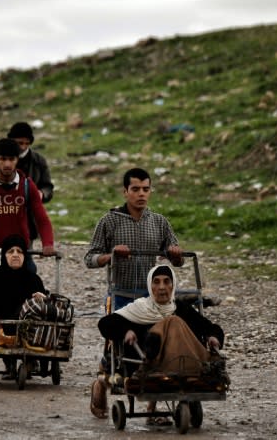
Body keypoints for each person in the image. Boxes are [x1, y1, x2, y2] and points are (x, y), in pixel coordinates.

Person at [91, 265, 225, 420]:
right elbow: (105, 323)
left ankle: (199, 364)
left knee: (175, 320)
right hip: (145, 363)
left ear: (173, 285)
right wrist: (126, 330)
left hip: (179, 363)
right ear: (150, 285)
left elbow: (210, 327)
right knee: (173, 321)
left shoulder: (181, 309)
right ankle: (101, 384)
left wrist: (213, 337)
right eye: (156, 282)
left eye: (167, 282)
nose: (162, 287)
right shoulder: (139, 308)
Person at [84, 167, 183, 311]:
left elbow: (179, 261)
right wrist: (112, 255)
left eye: (145, 189)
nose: (141, 194)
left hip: (151, 296)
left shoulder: (159, 222)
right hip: (119, 295)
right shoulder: (109, 220)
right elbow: (90, 259)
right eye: (135, 189)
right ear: (125, 192)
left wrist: (176, 254)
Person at [0, 138, 56, 272]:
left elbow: (42, 219)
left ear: (17, 160)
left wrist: (48, 243)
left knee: (31, 284)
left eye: (12, 159)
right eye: (3, 159)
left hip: (20, 252)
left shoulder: (27, 186)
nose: (7, 164)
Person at [0, 234, 48, 378]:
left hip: (26, 329)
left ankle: (30, 360)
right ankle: (10, 364)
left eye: (19, 251)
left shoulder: (33, 279)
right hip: (1, 327)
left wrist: (41, 299)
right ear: (4, 255)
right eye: (11, 252)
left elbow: (43, 306)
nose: (16, 255)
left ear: (24, 256)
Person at [0, 122, 54, 204]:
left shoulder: (38, 161)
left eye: (27, 143)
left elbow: (48, 187)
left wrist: (41, 193)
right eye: (19, 143)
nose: (23, 147)